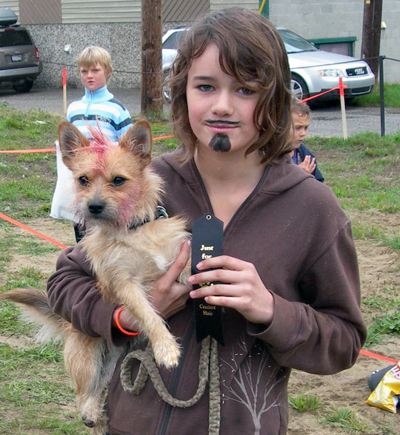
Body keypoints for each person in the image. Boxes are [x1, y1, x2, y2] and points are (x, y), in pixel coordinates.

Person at [47, 8, 366, 435]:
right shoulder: (138, 186)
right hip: (135, 423)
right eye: (205, 86)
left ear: (275, 99)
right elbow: (65, 283)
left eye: (246, 89)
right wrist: (126, 318)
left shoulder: (311, 208)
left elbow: (343, 342)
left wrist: (271, 310)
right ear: (181, 93)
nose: (221, 105)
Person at [50, 46, 133, 241]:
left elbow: (128, 147)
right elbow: (69, 142)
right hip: (84, 177)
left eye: (95, 70)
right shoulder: (74, 108)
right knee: (81, 220)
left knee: (107, 226)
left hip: (108, 177)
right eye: (84, 71)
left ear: (108, 72)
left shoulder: (116, 109)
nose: (89, 76)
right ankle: (82, 256)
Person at [290, 97, 324, 182]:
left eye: (305, 128)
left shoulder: (304, 154)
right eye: (298, 128)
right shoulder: (268, 156)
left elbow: (319, 184)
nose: (303, 133)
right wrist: (297, 175)